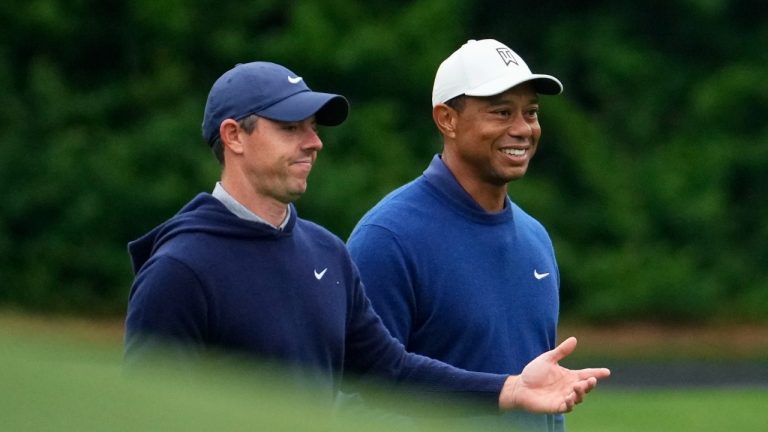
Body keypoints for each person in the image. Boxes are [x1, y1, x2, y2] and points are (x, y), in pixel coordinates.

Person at [124, 61, 609, 416]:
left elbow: (389, 369)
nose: (313, 142)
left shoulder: (325, 253)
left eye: (312, 128)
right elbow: (140, 414)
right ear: (234, 136)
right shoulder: (181, 268)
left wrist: (509, 388)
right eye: (291, 128)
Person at [346, 39, 572, 430]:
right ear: (447, 119)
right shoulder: (387, 238)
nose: (522, 129)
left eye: (530, 113)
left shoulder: (535, 238)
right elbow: (360, 395)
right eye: (502, 112)